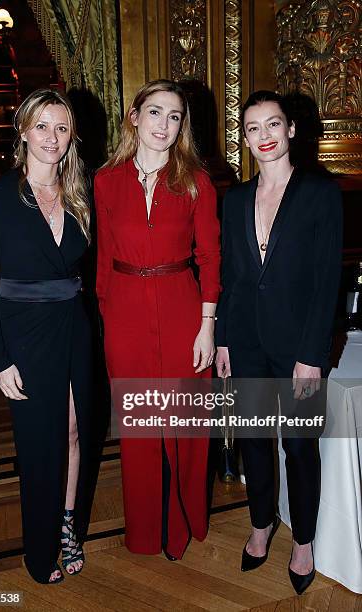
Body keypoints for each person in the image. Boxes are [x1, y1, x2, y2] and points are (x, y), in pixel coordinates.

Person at [215, 90, 342, 595]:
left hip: (298, 348)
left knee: (298, 445)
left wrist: (312, 355)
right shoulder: (236, 199)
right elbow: (230, 275)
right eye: (253, 128)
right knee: (253, 440)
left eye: (273, 125)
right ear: (244, 138)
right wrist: (223, 339)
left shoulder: (319, 193)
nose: (264, 136)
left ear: (290, 130)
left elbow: (327, 278)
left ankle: (304, 540)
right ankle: (262, 523)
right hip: (244, 340)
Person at [0, 89, 93, 584]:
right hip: (22, 334)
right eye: (42, 126)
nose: (52, 137)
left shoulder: (82, 193)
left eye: (61, 128)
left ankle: (68, 526)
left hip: (75, 327)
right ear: (22, 130)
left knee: (75, 430)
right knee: (39, 443)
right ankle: (38, 548)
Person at [95, 79, 220, 560]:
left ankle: (186, 522)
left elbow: (210, 257)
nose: (164, 125)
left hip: (181, 304)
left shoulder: (196, 181)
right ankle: (147, 530)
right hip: (124, 308)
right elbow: (104, 259)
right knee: (142, 426)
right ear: (134, 116)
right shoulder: (106, 180)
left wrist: (206, 325)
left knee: (185, 421)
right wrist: (107, 319)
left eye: (174, 117)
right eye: (155, 113)